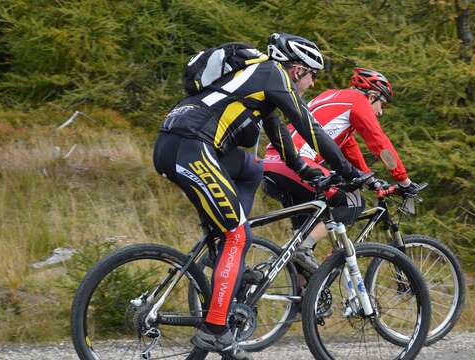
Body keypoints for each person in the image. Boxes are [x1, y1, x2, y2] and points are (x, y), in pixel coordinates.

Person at [153, 32, 360, 359]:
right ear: (296, 70)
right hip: (190, 146)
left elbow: (281, 138)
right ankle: (215, 331)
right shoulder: (272, 73)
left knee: (251, 169)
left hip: (178, 142)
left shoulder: (257, 85)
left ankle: (228, 251)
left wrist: (307, 171)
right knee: (235, 235)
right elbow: (309, 126)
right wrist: (347, 170)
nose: (312, 83)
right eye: (312, 75)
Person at [263, 67, 420, 273]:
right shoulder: (357, 101)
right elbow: (380, 144)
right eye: (381, 104)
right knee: (353, 201)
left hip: (272, 161)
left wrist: (369, 180)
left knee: (305, 240)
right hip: (296, 163)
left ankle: (300, 299)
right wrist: (404, 181)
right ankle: (304, 249)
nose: (380, 112)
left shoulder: (331, 97)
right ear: (372, 96)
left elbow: (348, 149)